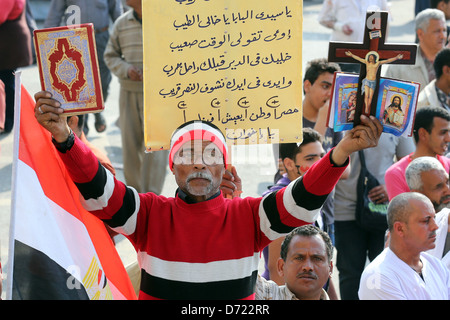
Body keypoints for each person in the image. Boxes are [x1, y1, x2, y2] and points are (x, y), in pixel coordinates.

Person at [33, 87, 382, 299]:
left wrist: (339, 154)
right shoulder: (149, 214)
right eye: (187, 156)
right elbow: (101, 191)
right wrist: (66, 139)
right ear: (172, 167)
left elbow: (303, 198)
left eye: (210, 156)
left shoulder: (250, 217)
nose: (199, 165)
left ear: (224, 167)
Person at [333, 131, 415, 300]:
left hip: (383, 212)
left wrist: (389, 186)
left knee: (388, 272)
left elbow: (409, 163)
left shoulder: (394, 120)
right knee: (350, 274)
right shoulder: (341, 118)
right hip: (345, 210)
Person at [104, 0, 167, 194]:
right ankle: (136, 200)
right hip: (129, 93)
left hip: (160, 96)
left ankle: (153, 198)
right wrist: (126, 69)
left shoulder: (164, 20)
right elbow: (110, 55)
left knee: (156, 151)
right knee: (130, 150)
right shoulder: (122, 24)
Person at [44, 0, 124, 134]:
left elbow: (117, 13)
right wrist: (45, 42)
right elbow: (54, 14)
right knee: (78, 84)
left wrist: (124, 36)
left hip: (101, 37)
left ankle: (97, 110)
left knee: (103, 82)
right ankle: (82, 126)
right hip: (73, 39)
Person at [262, 128, 325, 284]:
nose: (320, 164)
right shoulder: (279, 201)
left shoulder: (312, 194)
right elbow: (277, 271)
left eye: (322, 157)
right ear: (289, 164)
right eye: (310, 158)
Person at [358, 192, 450, 300]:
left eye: (434, 218)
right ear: (400, 229)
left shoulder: (436, 265)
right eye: (426, 221)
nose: (435, 226)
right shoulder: (377, 277)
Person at [385, 106, 450, 200]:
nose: (448, 139)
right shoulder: (396, 174)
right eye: (443, 133)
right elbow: (403, 213)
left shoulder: (448, 164)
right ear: (423, 134)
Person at [256, 225, 333, 300]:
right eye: (299, 258)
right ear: (281, 267)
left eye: (317, 259)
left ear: (330, 269)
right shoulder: (264, 294)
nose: (308, 267)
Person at [318, 0, 390, 73]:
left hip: (369, 54)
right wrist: (340, 27)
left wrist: (381, 48)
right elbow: (323, 18)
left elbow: (386, 21)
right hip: (343, 53)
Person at [383, 8, 447, 91]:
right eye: (437, 31)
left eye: (444, 30)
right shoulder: (400, 66)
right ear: (420, 34)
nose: (443, 36)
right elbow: (386, 96)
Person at [405, 157, 450, 269]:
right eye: (438, 187)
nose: (448, 190)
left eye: (448, 182)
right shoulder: (403, 234)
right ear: (418, 193)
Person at [0, 0, 32, 134]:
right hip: (9, 44)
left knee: (7, 83)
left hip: (8, 46)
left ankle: (7, 122)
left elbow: (1, 15)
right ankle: (7, 121)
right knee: (8, 83)